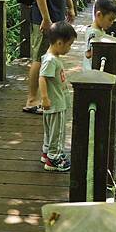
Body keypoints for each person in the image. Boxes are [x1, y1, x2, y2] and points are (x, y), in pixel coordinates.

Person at [39, 21, 77, 171]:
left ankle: (47, 152)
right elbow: (42, 77)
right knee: (58, 131)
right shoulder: (50, 60)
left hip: (53, 102)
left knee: (50, 130)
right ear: (60, 43)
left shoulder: (51, 57)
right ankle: (54, 158)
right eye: (69, 45)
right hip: (55, 103)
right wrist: (44, 98)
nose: (70, 48)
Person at [83, 0, 116, 71]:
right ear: (99, 15)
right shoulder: (93, 33)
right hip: (91, 72)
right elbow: (88, 54)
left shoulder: (99, 30)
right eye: (110, 19)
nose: (112, 23)